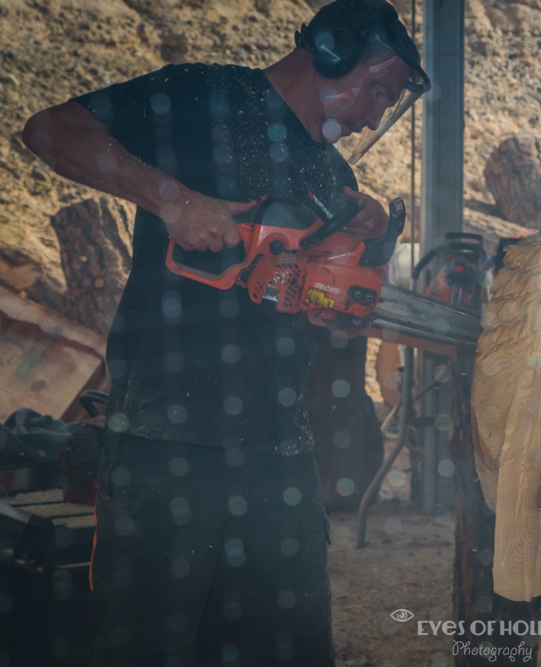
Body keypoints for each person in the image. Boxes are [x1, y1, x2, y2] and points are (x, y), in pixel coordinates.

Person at [21, 0, 429, 664]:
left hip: (279, 450)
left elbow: (322, 303)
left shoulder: (332, 175)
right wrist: (172, 200)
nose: (375, 114)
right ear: (332, 49)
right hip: (164, 438)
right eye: (377, 89)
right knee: (150, 647)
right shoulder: (203, 95)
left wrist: (334, 300)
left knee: (293, 646)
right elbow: (49, 131)